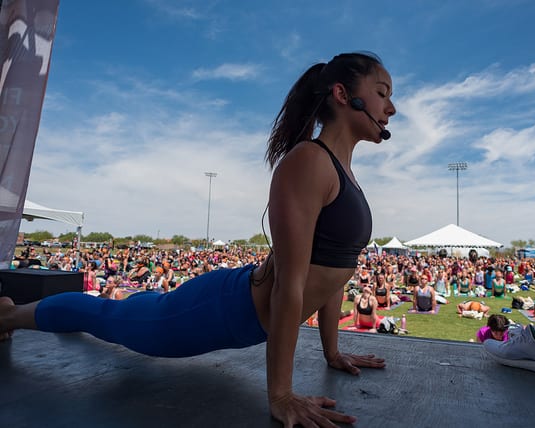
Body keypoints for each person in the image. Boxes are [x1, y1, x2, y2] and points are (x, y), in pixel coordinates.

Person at [0, 52, 395, 427]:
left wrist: (332, 352)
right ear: (343, 95)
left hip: (235, 313)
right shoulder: (310, 162)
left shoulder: (345, 174)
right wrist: (281, 396)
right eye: (381, 93)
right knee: (106, 317)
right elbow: (290, 285)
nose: (390, 109)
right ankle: (10, 315)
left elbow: (334, 274)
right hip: (221, 309)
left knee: (136, 308)